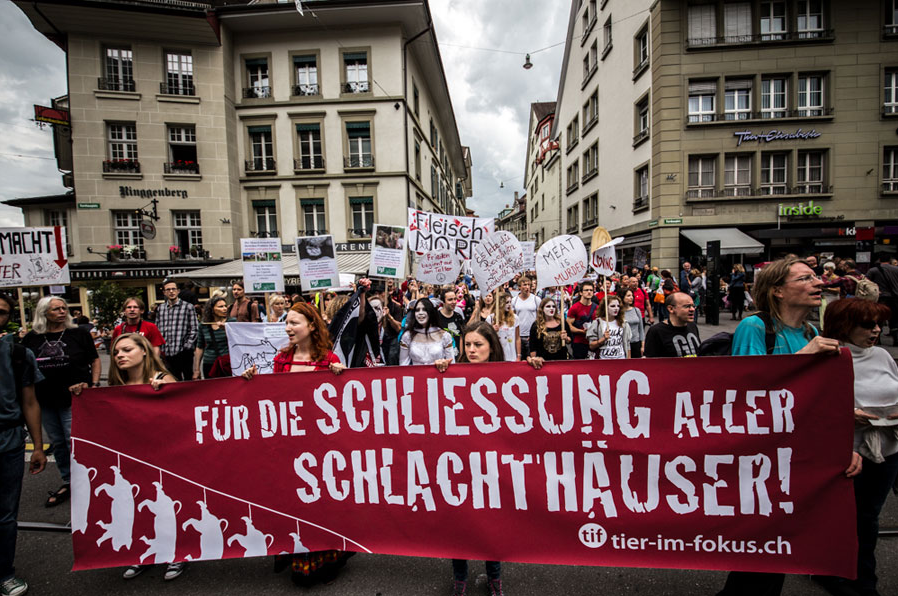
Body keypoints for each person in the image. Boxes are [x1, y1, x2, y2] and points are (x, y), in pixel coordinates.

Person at [718, 256, 851, 596]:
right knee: (762, 543)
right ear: (777, 290)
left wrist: (843, 447)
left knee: (779, 545)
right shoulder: (755, 327)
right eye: (805, 278)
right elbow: (747, 394)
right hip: (763, 456)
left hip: (798, 455)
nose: (818, 282)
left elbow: (820, 401)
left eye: (816, 277)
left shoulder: (811, 332)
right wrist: (806, 356)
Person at [240, 302, 349, 586]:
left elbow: (340, 403)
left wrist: (341, 377)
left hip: (320, 443)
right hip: (291, 442)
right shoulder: (282, 359)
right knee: (296, 499)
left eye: (294, 323)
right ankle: (299, 553)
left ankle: (326, 556)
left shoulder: (329, 359)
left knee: (319, 500)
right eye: (286, 323)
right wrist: (252, 381)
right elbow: (275, 397)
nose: (288, 328)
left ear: (311, 326)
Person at [816, 298, 897, 596]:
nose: (876, 330)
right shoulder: (829, 358)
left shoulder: (882, 356)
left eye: (879, 324)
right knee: (848, 518)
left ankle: (860, 577)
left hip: (888, 450)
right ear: (845, 326)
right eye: (867, 324)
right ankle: (847, 578)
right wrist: (847, 414)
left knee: (868, 516)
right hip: (848, 452)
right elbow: (811, 406)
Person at [107, 333, 182, 581]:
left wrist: (163, 394)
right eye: (116, 352)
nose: (120, 355)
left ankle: (176, 553)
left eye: (127, 350)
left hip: (163, 455)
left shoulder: (162, 378)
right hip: (131, 456)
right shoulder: (116, 386)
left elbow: (182, 416)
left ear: (144, 351)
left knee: (165, 505)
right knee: (138, 505)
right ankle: (145, 552)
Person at [21, 296, 100, 508]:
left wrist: (93, 384)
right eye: (56, 309)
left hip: (75, 399)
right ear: (44, 313)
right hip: (45, 400)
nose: (62, 311)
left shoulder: (78, 334)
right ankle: (68, 480)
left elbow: (94, 359)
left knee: (73, 442)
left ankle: (87, 482)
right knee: (58, 443)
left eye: (64, 308)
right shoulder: (31, 338)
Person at [0, 292, 46, 596]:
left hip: (8, 443)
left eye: (2, 311)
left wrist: (38, 446)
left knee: (5, 516)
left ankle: (4, 573)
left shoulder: (17, 354)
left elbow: (30, 402)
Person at [154, 279, 199, 381]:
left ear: (178, 291)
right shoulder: (161, 309)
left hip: (183, 351)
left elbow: (194, 328)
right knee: (173, 380)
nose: (171, 291)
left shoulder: (188, 307)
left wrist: (187, 346)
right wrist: (161, 348)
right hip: (167, 352)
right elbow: (157, 329)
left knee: (188, 380)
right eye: (168, 289)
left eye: (173, 289)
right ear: (164, 292)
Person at [643, 292, 701, 358]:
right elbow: (650, 360)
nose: (692, 309)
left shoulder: (692, 326)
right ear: (671, 309)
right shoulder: (657, 331)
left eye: (693, 306)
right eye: (687, 306)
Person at [399, 299, 454, 367]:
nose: (420, 313)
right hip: (415, 373)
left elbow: (452, 363)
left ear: (431, 312)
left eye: (425, 309)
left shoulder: (445, 336)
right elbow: (403, 365)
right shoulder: (407, 336)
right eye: (417, 310)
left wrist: (444, 364)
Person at [193, 297, 235, 379]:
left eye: (225, 306)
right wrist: (197, 369)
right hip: (209, 363)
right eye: (221, 306)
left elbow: (237, 340)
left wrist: (226, 330)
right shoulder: (204, 325)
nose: (225, 309)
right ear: (212, 309)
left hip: (226, 363)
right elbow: (200, 347)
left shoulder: (231, 322)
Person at [587, 294, 631, 359]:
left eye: (618, 306)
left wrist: (628, 359)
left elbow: (627, 344)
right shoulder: (597, 323)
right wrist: (603, 339)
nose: (616, 308)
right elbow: (591, 345)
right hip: (603, 359)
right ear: (605, 308)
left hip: (621, 358)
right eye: (612, 306)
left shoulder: (623, 323)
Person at [566, 280, 598, 359]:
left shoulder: (597, 308)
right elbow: (568, 326)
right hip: (579, 342)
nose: (589, 292)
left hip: (593, 342)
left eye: (591, 290)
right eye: (586, 290)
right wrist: (581, 331)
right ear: (581, 292)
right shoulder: (574, 308)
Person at [511, 276, 539, 360]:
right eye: (524, 285)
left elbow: (540, 317)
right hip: (519, 335)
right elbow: (512, 317)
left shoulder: (536, 299)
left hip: (532, 335)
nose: (527, 287)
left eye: (528, 285)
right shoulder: (514, 300)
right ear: (519, 287)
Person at [487, 292, 520, 362]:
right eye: (507, 302)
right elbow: (486, 338)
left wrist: (519, 355)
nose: (509, 304)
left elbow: (517, 338)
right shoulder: (491, 318)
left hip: (511, 356)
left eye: (510, 302)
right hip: (497, 356)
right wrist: (492, 330)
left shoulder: (515, 318)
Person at [437, 287, 466, 357]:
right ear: (443, 301)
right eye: (450, 300)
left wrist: (460, 355)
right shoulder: (436, 317)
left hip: (456, 356)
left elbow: (461, 336)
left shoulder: (458, 316)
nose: (453, 302)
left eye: (455, 299)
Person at [620, 288, 646, 358]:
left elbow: (641, 329)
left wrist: (642, 345)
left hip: (636, 343)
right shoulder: (619, 312)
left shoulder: (636, 310)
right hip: (624, 343)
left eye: (632, 295)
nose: (631, 297)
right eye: (628, 296)